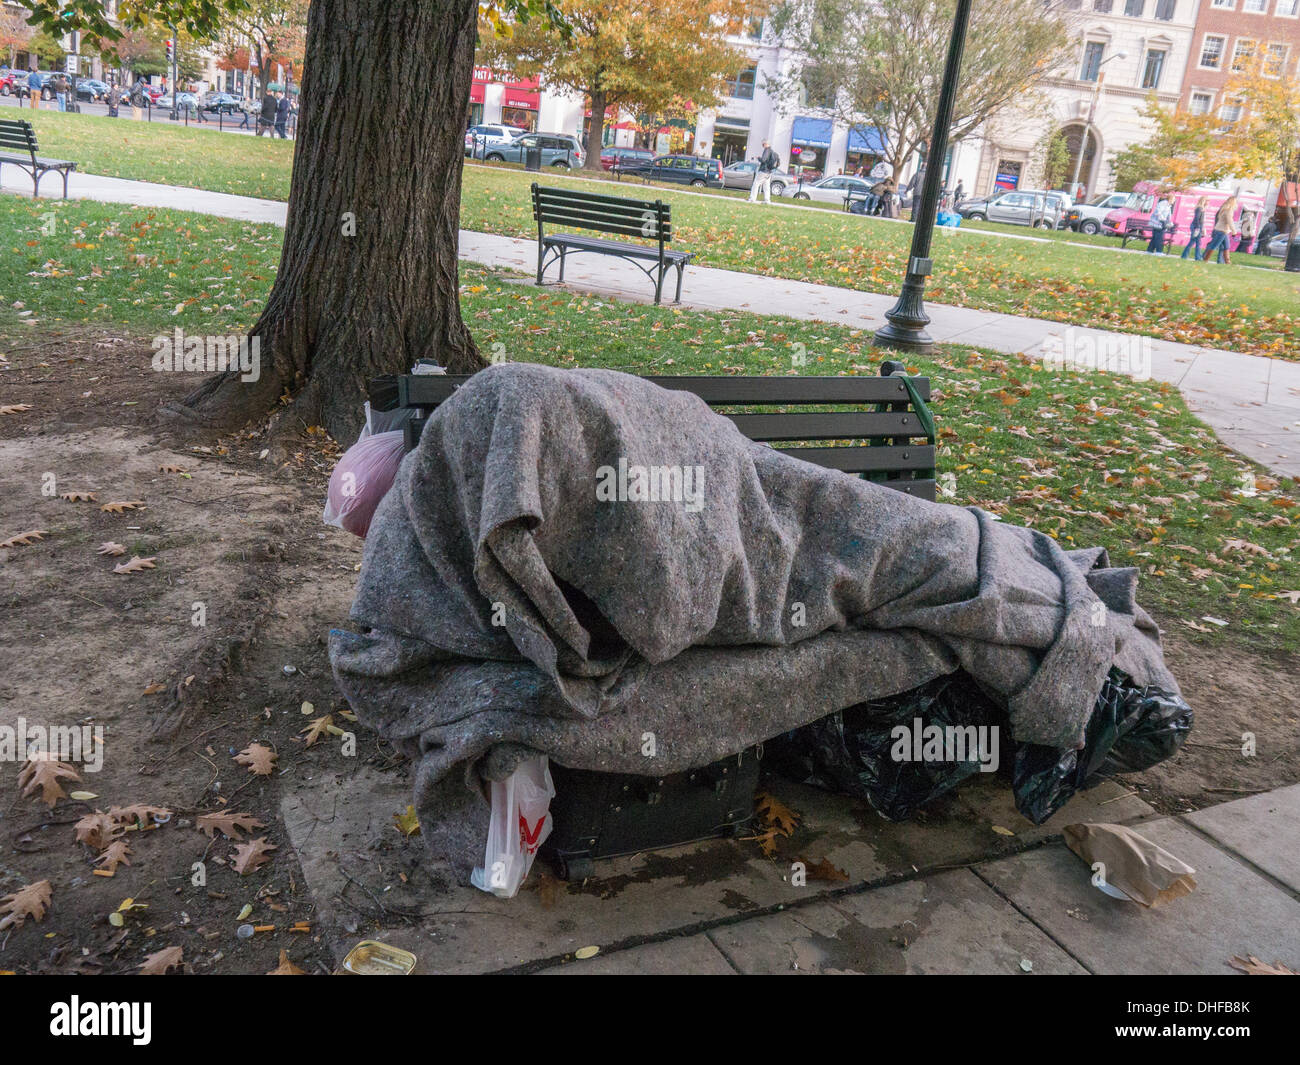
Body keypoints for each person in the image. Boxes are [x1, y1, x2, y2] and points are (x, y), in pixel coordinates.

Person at [1203, 195, 1239, 265]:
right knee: (1214, 246)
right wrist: (1234, 231)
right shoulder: (1229, 210)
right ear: (1233, 202)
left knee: (1226, 246)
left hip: (1222, 230)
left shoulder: (1224, 209)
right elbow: (1230, 221)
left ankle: (1227, 262)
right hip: (1222, 231)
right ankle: (1205, 260)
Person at [748, 140, 780, 204]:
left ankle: (752, 199)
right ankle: (767, 200)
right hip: (769, 171)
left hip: (763, 170)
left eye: (763, 144)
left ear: (765, 144)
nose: (763, 146)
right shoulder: (772, 151)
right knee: (766, 186)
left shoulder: (767, 150)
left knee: (756, 184)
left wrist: (758, 158)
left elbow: (763, 160)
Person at [1181, 196, 1207, 260]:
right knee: (1198, 242)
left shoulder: (1201, 208)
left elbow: (1201, 220)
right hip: (1196, 226)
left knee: (1192, 242)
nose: (1208, 202)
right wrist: (1198, 228)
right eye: (1207, 201)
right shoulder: (1199, 208)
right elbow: (1196, 218)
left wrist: (1202, 228)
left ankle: (1184, 256)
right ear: (1203, 201)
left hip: (1198, 226)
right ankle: (1198, 257)